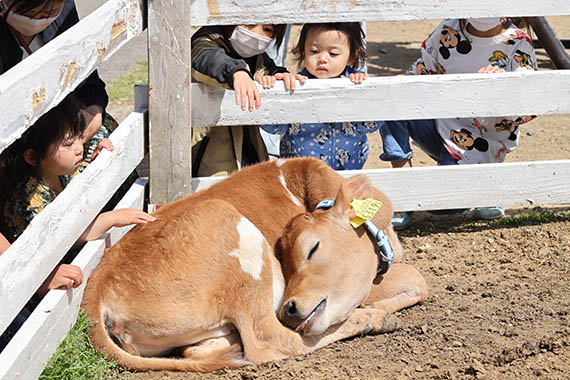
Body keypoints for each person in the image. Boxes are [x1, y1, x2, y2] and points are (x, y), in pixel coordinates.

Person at [378, 17, 537, 229]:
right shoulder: (449, 27)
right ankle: (402, 189)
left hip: (479, 142)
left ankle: (485, 186)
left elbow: (530, 105)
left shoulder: (518, 43)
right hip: (441, 124)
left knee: (442, 206)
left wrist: (502, 87)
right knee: (391, 97)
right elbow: (426, 66)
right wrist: (401, 82)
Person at [260, 22, 383, 170]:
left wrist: (360, 95)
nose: (323, 58)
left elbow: (370, 126)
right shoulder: (296, 86)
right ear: (303, 51)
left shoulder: (356, 83)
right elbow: (274, 128)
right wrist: (271, 92)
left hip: (346, 172)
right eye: (314, 51)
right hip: (301, 176)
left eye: (333, 54)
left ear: (352, 57)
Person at [191, 23, 304, 177]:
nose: (257, 34)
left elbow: (268, 69)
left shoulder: (258, 57)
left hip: (248, 154)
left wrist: (280, 75)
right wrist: (236, 71)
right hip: (209, 161)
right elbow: (206, 59)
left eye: (268, 30)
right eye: (250, 24)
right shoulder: (205, 42)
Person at [0, 0, 114, 144]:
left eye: (50, 12)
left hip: (67, 131)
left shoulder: (65, 15)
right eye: (30, 13)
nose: (40, 19)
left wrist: (92, 116)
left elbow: (89, 83)